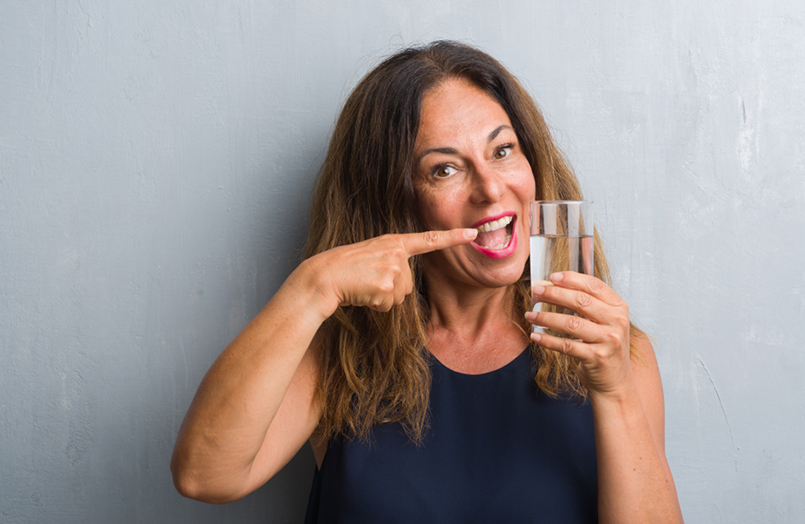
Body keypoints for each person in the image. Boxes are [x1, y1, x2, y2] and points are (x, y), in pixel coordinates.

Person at [171, 41, 683, 523]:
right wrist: (314, 285)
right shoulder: (342, 353)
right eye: (444, 169)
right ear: (395, 203)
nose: (491, 188)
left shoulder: (615, 353)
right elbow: (203, 475)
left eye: (503, 151)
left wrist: (615, 391)